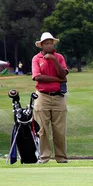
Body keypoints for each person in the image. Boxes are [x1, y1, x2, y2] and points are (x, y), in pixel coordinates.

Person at [31, 32, 69, 164]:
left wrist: (54, 60)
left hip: (58, 96)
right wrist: (58, 79)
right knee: (42, 129)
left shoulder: (59, 57)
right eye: (46, 43)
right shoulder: (36, 59)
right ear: (41, 45)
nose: (49, 45)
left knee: (59, 130)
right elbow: (38, 77)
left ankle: (61, 157)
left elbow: (63, 74)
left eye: (51, 43)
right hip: (43, 96)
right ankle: (44, 157)